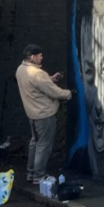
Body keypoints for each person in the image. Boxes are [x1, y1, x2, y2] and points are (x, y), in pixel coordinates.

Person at [15, 44, 72, 183]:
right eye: (40, 55)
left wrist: (50, 79)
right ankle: (39, 176)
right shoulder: (37, 74)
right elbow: (53, 91)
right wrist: (69, 94)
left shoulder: (21, 70)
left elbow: (36, 84)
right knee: (44, 145)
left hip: (32, 114)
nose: (42, 57)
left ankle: (31, 173)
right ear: (33, 57)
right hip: (44, 114)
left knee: (35, 143)